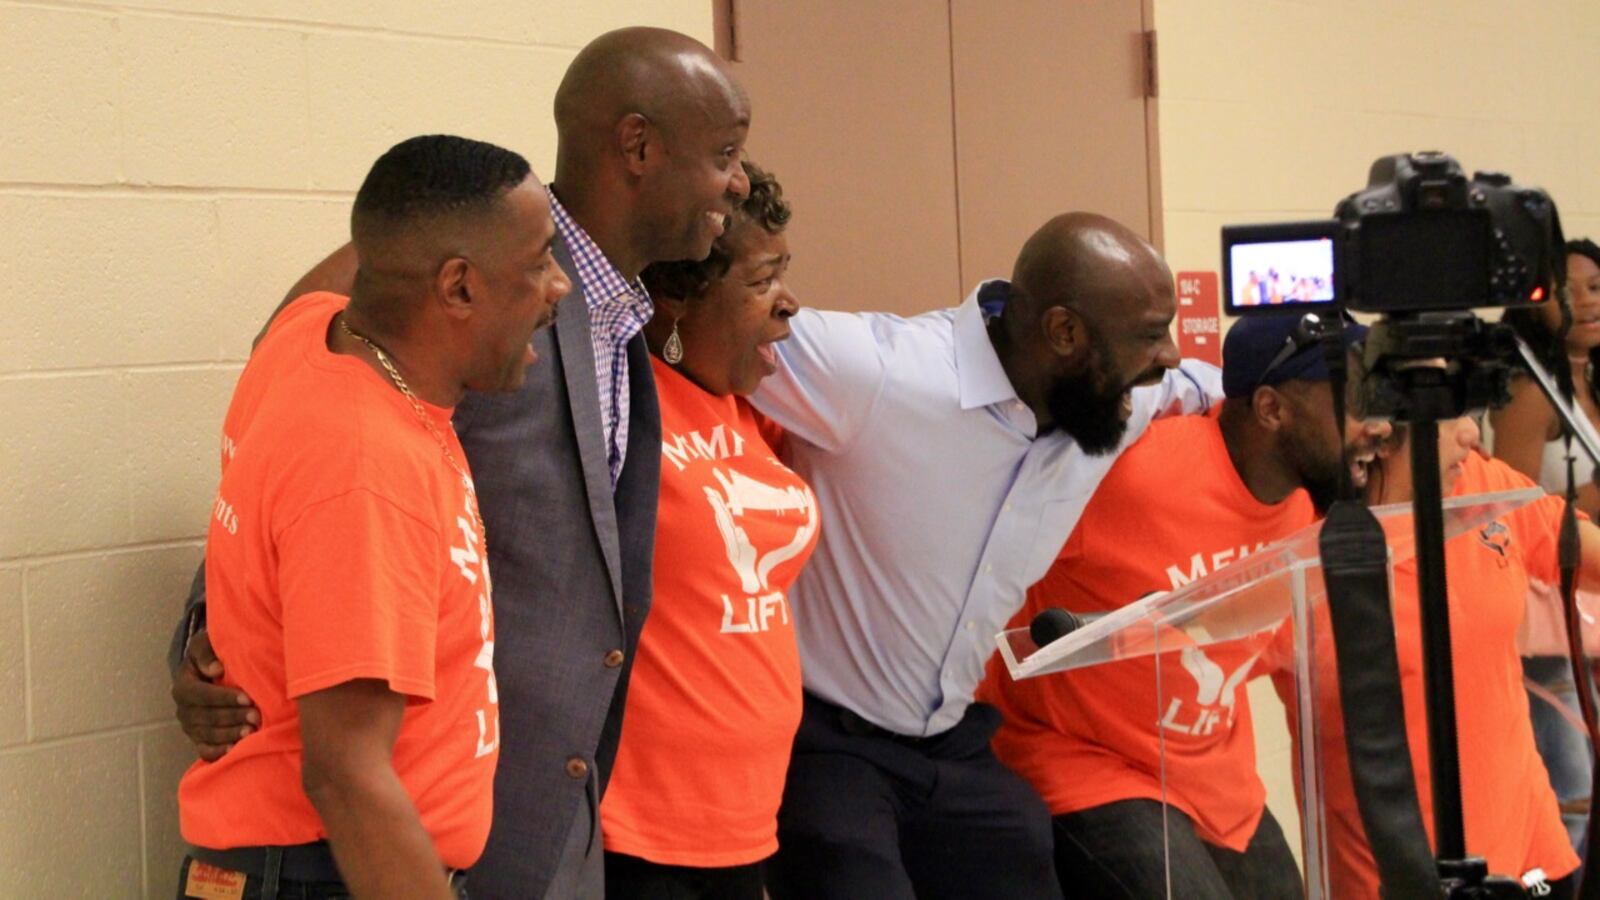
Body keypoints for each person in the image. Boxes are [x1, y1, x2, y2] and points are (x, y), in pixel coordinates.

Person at [168, 27, 753, 899]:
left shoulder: (622, 313)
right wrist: (213, 633)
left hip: (537, 822)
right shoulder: (470, 294)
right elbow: (301, 430)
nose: (739, 182)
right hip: (369, 847)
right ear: (638, 146)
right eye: (726, 154)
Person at [752, 212, 1224, 899]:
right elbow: (711, 326)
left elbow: (1206, 385)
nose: (1170, 355)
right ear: (1064, 334)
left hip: (955, 741)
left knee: (1019, 847)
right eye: (1151, 335)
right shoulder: (881, 372)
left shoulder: (1119, 399)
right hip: (828, 743)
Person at [176, 135, 570, 899]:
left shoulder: (309, 335)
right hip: (326, 873)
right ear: (456, 287)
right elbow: (347, 775)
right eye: (537, 263)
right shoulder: (366, 468)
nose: (558, 287)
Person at [978, 314, 1389, 899]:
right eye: (1358, 401)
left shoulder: (1309, 508)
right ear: (1272, 410)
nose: (1378, 425)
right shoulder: (1133, 471)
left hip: (1215, 777)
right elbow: (985, 562)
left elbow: (1271, 644)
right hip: (1090, 762)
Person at [597, 160, 815, 899]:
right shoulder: (620, 403)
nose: (789, 306)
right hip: (636, 825)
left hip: (749, 814)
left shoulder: (750, 408)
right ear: (678, 301)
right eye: (761, 282)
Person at [1290, 413, 1600, 899]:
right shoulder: (1304, 538)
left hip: (1530, 855)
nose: (1473, 433)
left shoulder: (1481, 482)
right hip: (1398, 875)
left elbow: (1582, 550)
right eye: (1447, 416)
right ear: (1382, 436)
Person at [1492, 238, 1600, 852]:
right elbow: (1513, 513)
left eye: (1595, 286)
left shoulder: (1591, 384)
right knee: (1572, 797)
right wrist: (1592, 495)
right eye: (1568, 288)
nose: (1585, 301)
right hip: (1550, 625)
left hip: (1592, 607)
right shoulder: (1531, 391)